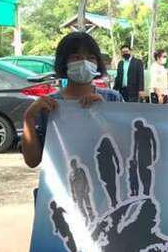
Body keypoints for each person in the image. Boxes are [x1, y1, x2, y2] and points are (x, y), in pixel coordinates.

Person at [22, 32, 122, 169]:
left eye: (91, 58)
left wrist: (105, 111)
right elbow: (32, 161)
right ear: (63, 62)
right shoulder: (48, 105)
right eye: (76, 57)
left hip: (104, 178)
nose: (84, 62)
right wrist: (28, 118)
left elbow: (125, 147)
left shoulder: (113, 99)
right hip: (64, 180)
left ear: (98, 63)